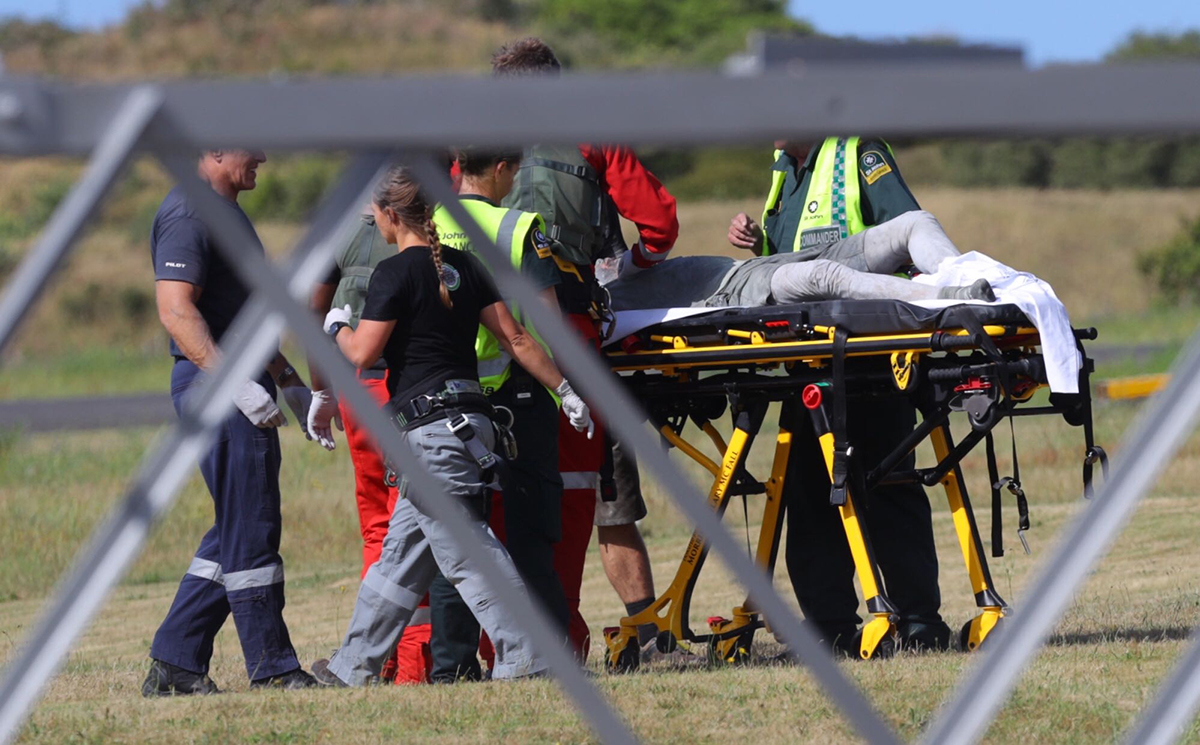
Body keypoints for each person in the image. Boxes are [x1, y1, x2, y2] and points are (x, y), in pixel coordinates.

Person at [310, 164, 593, 686]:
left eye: (375, 217)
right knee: (398, 561)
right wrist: (566, 390)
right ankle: (352, 668)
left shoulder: (392, 275)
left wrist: (337, 327)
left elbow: (363, 352)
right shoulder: (464, 265)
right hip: (470, 427)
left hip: (429, 436)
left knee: (467, 553)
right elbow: (519, 340)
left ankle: (526, 652)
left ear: (392, 215)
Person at [732, 138, 958, 653]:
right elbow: (785, 269)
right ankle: (829, 627)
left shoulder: (857, 155)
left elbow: (906, 235)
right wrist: (755, 241)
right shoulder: (783, 172)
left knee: (888, 485)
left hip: (871, 359)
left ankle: (919, 621)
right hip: (808, 363)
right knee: (811, 498)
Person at [494, 36, 677, 659]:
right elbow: (660, 222)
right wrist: (630, 264)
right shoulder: (591, 134)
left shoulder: (472, 143)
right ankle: (580, 637)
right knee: (586, 492)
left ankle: (481, 647)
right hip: (568, 332)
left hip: (482, 338)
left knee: (484, 493)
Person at [142, 148, 317, 695]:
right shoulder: (190, 214)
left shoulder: (224, 215)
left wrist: (288, 380)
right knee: (253, 525)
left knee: (240, 523)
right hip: (215, 388)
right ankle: (272, 666)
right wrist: (232, 382)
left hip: (238, 384)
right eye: (250, 144)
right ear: (214, 150)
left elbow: (248, 313)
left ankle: (176, 662)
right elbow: (175, 309)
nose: (264, 155)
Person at [423, 146, 570, 682]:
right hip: (517, 398)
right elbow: (546, 325)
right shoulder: (518, 227)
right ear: (504, 168)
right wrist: (566, 389)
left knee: (458, 538)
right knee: (531, 533)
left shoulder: (429, 221)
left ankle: (451, 667)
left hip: (446, 402)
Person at [308, 206, 433, 685]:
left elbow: (312, 309)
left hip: (358, 388)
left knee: (379, 528)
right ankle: (415, 662)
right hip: (412, 392)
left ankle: (378, 659)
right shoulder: (435, 226)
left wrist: (322, 388)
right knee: (422, 525)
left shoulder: (340, 228)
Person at [604, 208, 994, 309]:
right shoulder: (602, 302)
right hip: (735, 295)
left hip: (754, 267)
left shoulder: (609, 271)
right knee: (823, 275)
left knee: (915, 223)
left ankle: (972, 275)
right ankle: (954, 299)